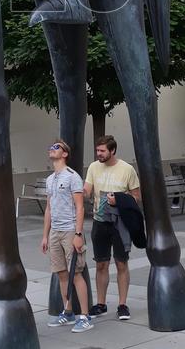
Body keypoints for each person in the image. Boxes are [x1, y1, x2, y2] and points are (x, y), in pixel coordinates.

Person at [83, 135, 140, 321]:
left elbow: (136, 197)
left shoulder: (127, 169)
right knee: (101, 264)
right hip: (100, 221)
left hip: (120, 223)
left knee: (121, 263)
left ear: (112, 150)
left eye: (102, 151)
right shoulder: (93, 167)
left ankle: (122, 305)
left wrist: (119, 200)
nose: (98, 154)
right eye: (97, 151)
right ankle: (101, 304)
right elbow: (87, 191)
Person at [41, 140, 92, 332]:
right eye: (51, 146)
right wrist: (45, 235)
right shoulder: (49, 179)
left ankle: (85, 316)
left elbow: (80, 207)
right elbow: (49, 208)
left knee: (76, 274)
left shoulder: (72, 177)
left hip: (70, 229)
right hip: (55, 231)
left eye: (56, 147)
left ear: (64, 154)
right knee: (62, 273)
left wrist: (78, 234)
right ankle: (68, 311)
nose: (52, 149)